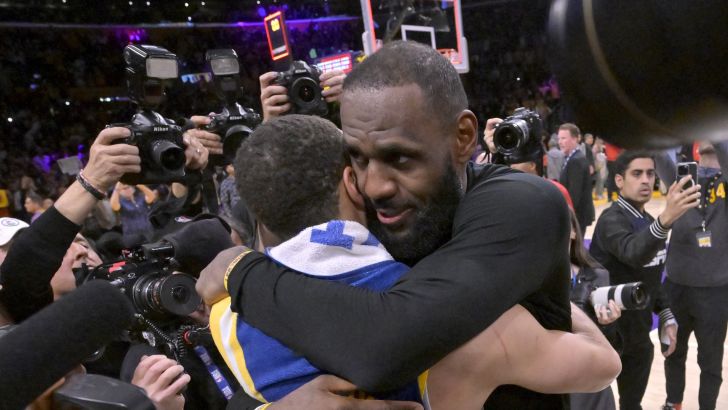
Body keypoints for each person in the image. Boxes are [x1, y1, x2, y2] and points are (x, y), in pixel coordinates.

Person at [198, 41, 609, 409]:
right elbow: (255, 379)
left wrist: (240, 270)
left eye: (400, 158)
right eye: (359, 158)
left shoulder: (521, 204)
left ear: (464, 137)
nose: (374, 185)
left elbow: (384, 347)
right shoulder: (359, 219)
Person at [589, 150, 701, 410]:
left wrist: (665, 314)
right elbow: (633, 253)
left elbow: (650, 277)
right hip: (604, 333)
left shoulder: (650, 222)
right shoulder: (611, 219)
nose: (645, 180)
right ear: (619, 180)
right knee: (595, 404)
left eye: (650, 174)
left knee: (632, 404)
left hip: (638, 336)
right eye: (637, 174)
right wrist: (665, 220)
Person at [655, 141, 728, 410]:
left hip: (716, 290)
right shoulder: (684, 177)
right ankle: (673, 402)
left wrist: (713, 126)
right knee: (672, 350)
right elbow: (658, 153)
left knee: (710, 362)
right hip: (677, 286)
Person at [558, 122, 595, 235]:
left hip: (577, 216)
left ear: (574, 139)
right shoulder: (571, 158)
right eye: (559, 138)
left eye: (563, 138)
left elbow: (574, 194)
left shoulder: (576, 161)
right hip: (577, 215)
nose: (560, 142)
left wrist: (566, 217)